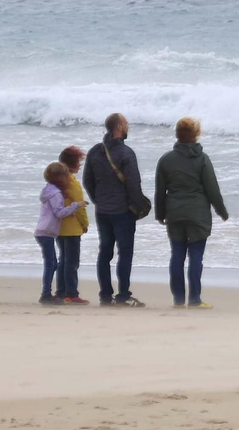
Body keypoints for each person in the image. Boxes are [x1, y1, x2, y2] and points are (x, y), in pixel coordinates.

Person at [154, 117, 230, 309]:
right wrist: (222, 211)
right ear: (196, 135)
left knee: (177, 256)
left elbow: (160, 190)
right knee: (196, 256)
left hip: (175, 214)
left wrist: (160, 213)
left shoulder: (166, 159)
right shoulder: (202, 160)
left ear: (177, 135)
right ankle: (195, 299)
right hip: (197, 215)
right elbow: (212, 189)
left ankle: (178, 299)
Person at [83, 112, 147, 307]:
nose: (128, 126)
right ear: (118, 127)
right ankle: (122, 296)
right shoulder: (126, 153)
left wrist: (98, 200)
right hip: (122, 211)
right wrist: (140, 207)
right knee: (125, 253)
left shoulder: (95, 151)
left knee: (105, 253)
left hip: (102, 211)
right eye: (126, 123)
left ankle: (105, 295)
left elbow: (87, 181)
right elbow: (134, 185)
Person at [35, 162, 86, 305]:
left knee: (52, 263)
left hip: (44, 231)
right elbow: (59, 213)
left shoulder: (48, 190)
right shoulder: (55, 193)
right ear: (60, 177)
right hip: (46, 232)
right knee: (51, 264)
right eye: (66, 175)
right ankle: (46, 294)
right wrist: (76, 205)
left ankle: (48, 293)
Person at [54, 146, 91, 304]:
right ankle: (71, 293)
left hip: (58, 227)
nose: (80, 165)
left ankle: (61, 292)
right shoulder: (72, 184)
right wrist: (85, 224)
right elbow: (79, 207)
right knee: (72, 262)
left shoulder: (55, 182)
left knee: (63, 260)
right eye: (78, 161)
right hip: (72, 229)